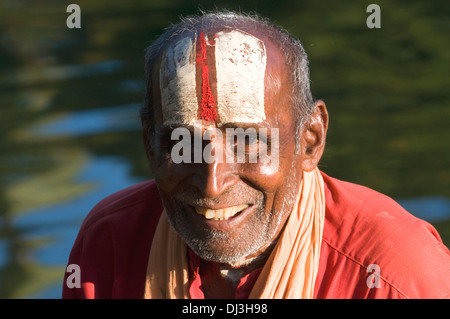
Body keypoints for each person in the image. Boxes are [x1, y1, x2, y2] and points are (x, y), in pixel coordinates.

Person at [62, 11, 450, 299]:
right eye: (182, 142)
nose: (212, 185)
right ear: (150, 144)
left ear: (310, 141)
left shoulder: (395, 273)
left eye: (247, 141)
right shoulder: (111, 242)